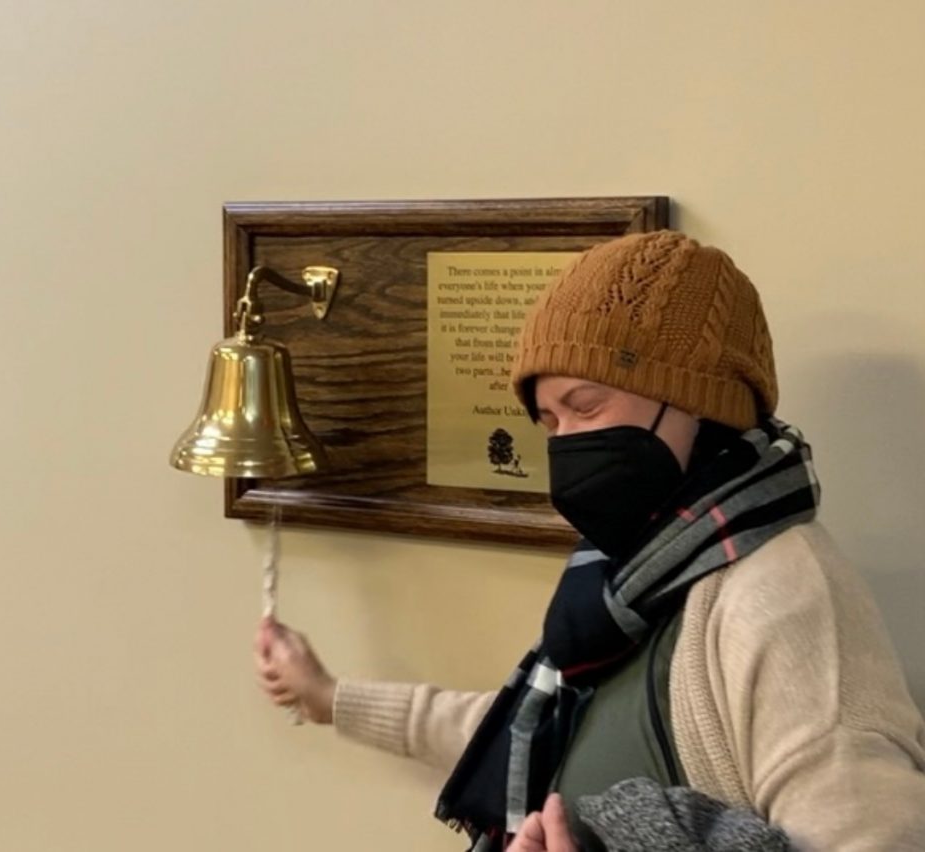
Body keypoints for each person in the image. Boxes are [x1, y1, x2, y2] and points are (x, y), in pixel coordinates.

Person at [254, 231, 925, 851]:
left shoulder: (780, 594)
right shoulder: (630, 575)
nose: (567, 444)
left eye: (586, 406)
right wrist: (328, 696)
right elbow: (534, 729)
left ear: (701, 403)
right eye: (549, 420)